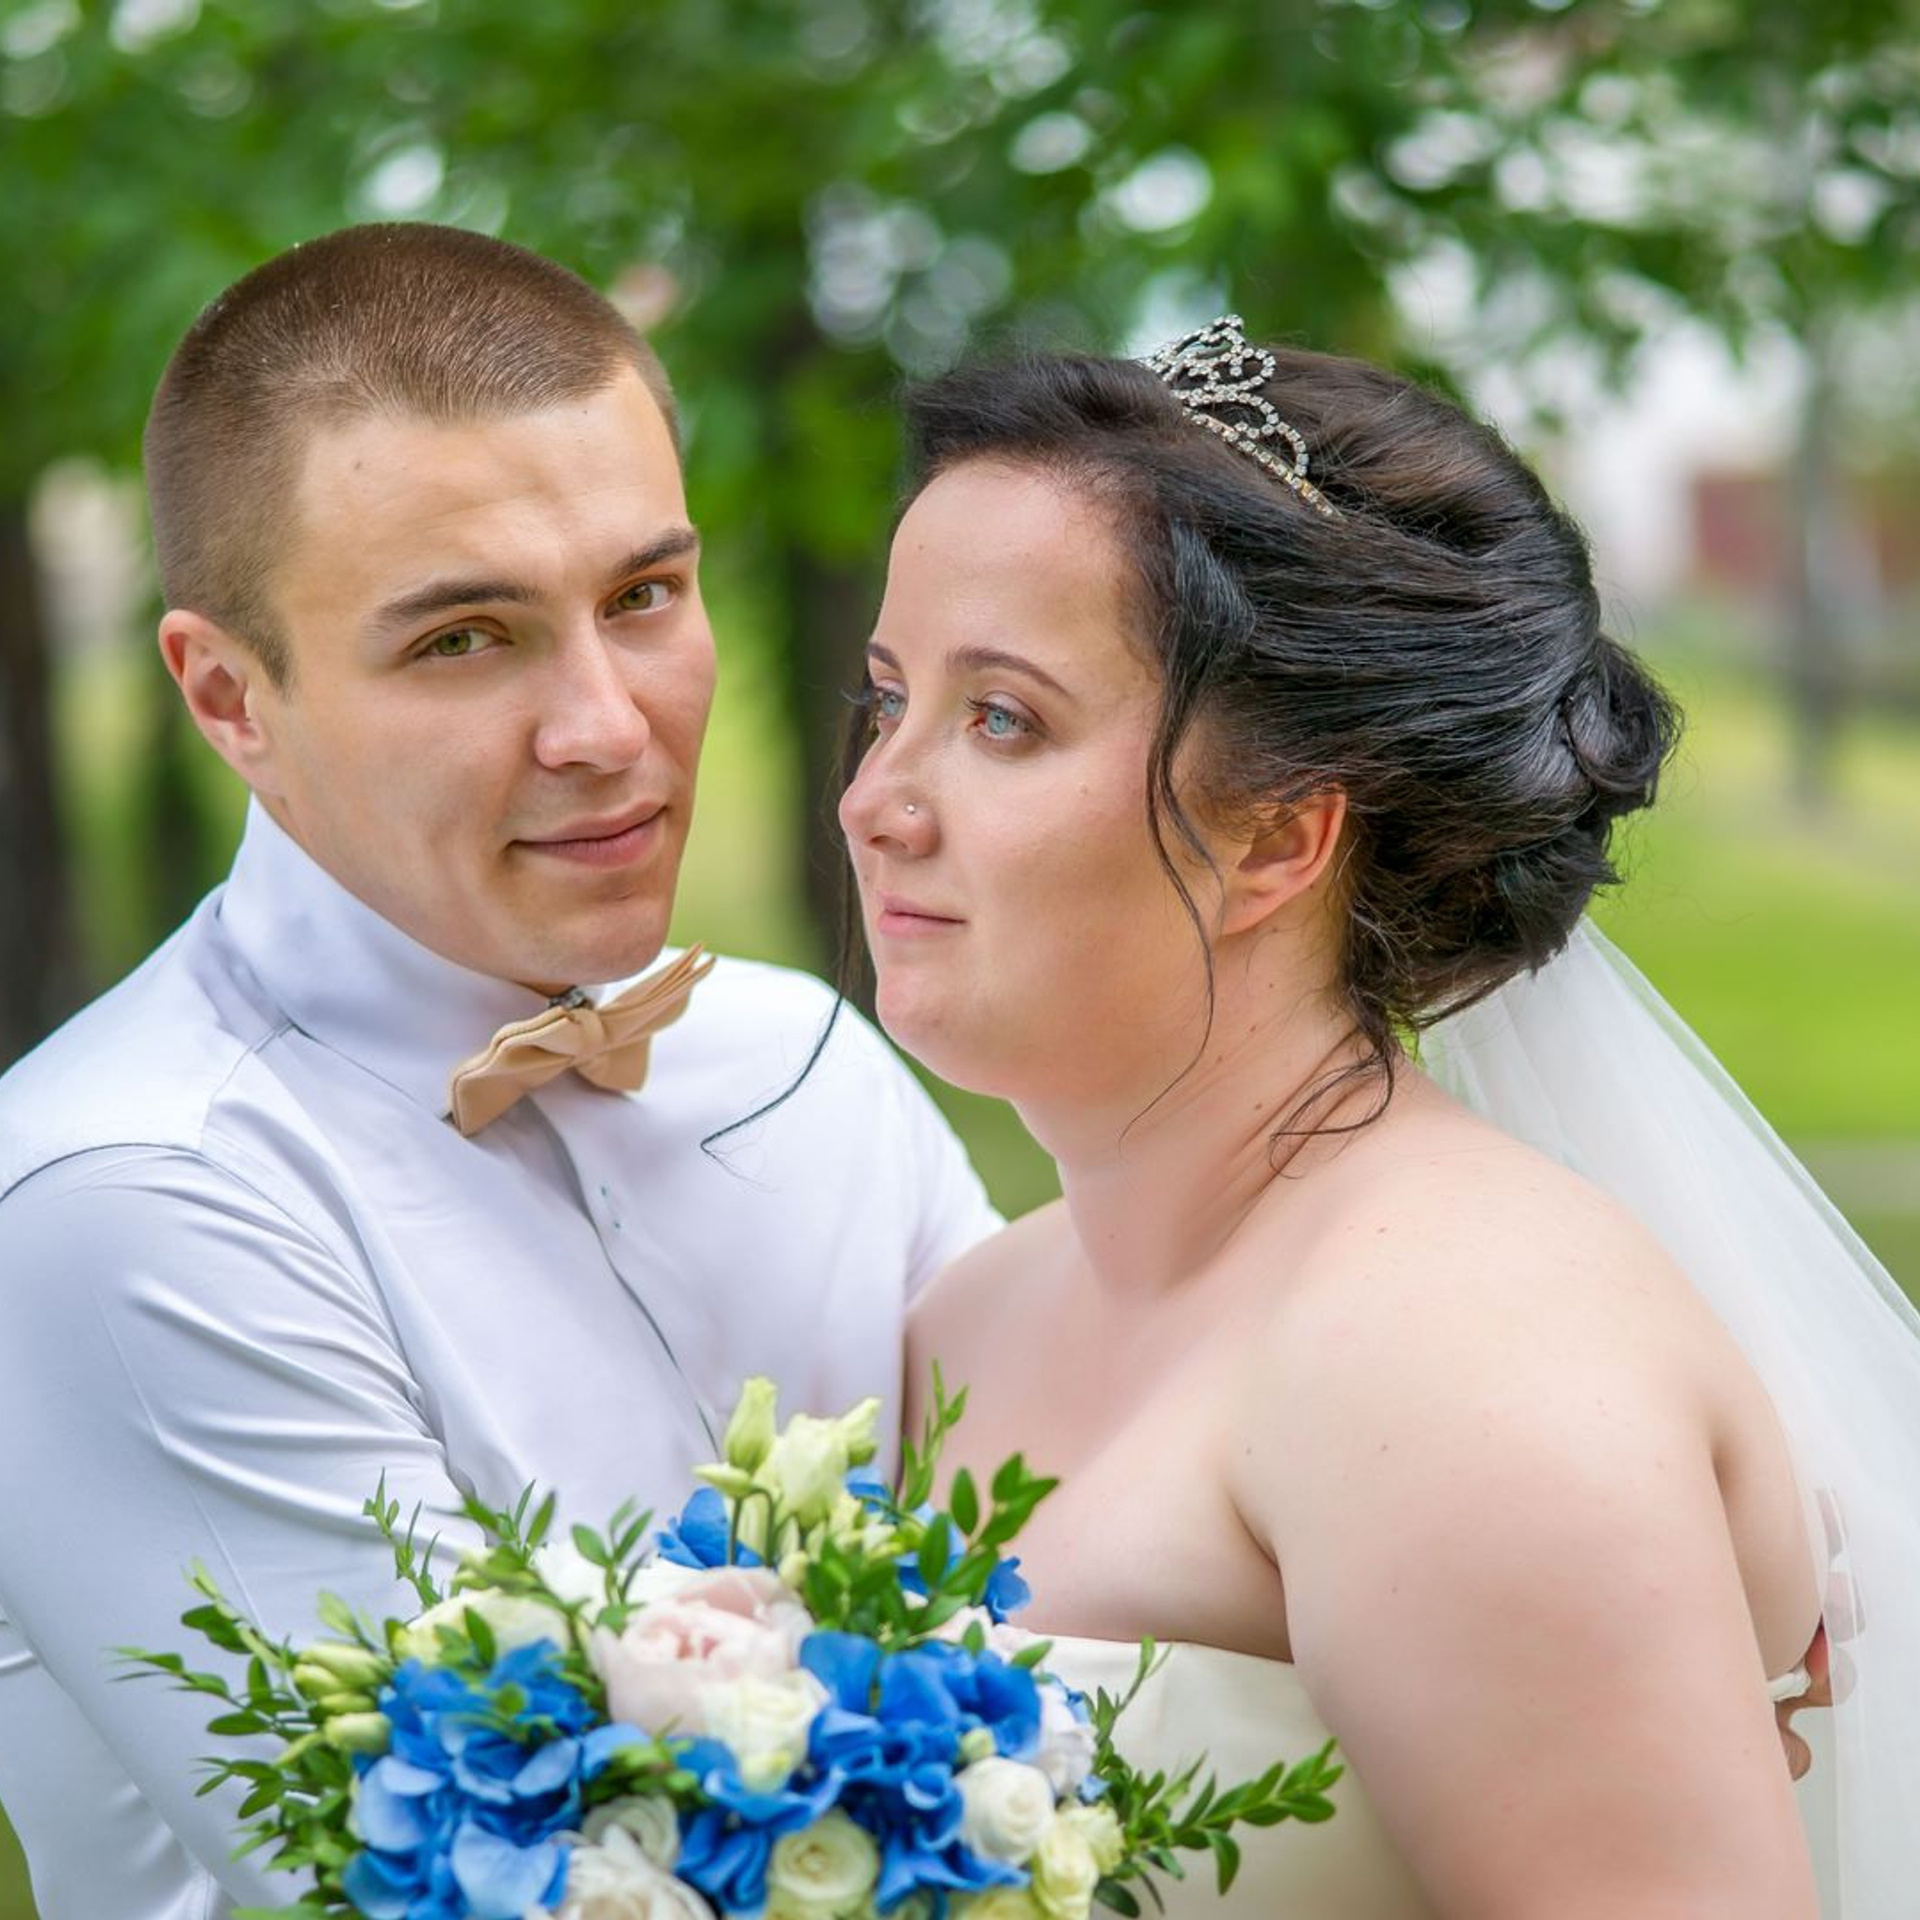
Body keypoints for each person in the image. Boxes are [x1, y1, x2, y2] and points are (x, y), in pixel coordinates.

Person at [838, 318, 1920, 1916]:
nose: (875, 800)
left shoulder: (1467, 1367)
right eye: (888, 701)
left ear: (1281, 837)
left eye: (1004, 719)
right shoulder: (967, 1322)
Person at [0, 223, 998, 1920]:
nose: (605, 727)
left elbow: (1079, 1580)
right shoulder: (124, 1199)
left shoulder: (812, 1063)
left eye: (644, 597)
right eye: (465, 639)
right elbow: (487, 1879)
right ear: (230, 697)